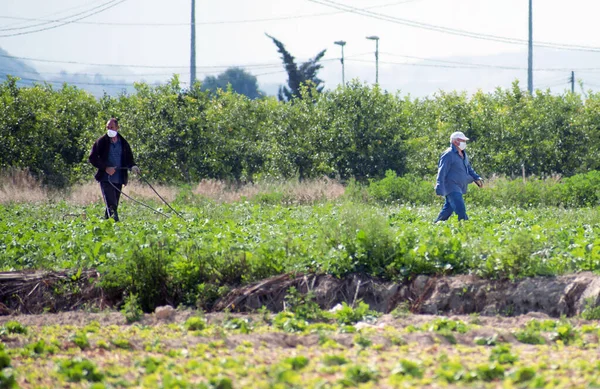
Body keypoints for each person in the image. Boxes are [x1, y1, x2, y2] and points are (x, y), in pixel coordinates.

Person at [88, 118, 140, 222]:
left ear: (117, 128)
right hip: (106, 178)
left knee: (113, 204)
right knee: (111, 205)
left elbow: (129, 159)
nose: (109, 129)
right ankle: (116, 224)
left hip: (119, 179)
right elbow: (92, 158)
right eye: (108, 127)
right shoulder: (101, 141)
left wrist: (133, 166)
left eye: (111, 127)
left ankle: (107, 225)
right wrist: (105, 168)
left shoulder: (124, 143)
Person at [434, 131, 483, 222]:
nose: (464, 143)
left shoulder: (463, 154)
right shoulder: (448, 154)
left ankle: (436, 224)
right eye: (462, 140)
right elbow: (442, 172)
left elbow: (468, 168)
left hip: (460, 186)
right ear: (455, 141)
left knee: (447, 210)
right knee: (460, 209)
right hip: (451, 186)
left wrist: (477, 178)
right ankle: (466, 228)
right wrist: (439, 186)